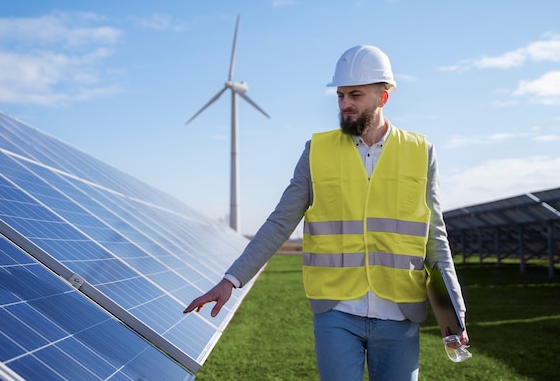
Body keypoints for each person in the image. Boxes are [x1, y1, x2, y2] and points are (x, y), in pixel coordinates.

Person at [183, 44, 469, 381]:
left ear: (382, 98)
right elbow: (280, 222)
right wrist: (231, 279)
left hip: (400, 312)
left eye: (355, 95)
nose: (345, 103)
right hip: (336, 311)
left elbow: (434, 237)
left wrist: (455, 314)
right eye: (341, 95)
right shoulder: (316, 151)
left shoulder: (420, 152)